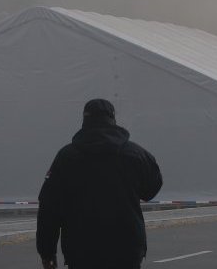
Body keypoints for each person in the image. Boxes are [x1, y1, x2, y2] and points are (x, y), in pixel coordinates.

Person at [36, 99, 163, 269]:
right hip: (126, 249)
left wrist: (47, 253)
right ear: (113, 119)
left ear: (84, 120)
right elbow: (151, 190)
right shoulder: (135, 154)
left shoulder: (66, 157)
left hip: (81, 250)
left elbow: (49, 208)